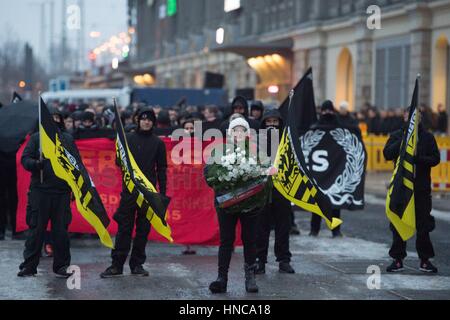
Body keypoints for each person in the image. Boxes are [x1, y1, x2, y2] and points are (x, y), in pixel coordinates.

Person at [101, 108, 167, 278]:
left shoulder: (158, 143)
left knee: (143, 230)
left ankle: (137, 264)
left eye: (150, 119)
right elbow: (118, 161)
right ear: (138, 121)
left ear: (153, 123)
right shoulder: (128, 138)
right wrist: (120, 148)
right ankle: (116, 265)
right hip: (129, 192)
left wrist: (162, 193)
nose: (146, 122)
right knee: (124, 228)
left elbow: (161, 169)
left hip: (148, 193)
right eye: (144, 119)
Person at [206, 118, 260, 294]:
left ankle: (250, 278)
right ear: (230, 133)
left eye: (242, 130)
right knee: (226, 240)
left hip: (249, 204)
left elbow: (264, 173)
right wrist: (222, 179)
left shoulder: (255, 152)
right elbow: (208, 173)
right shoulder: (219, 151)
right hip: (226, 204)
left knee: (250, 239)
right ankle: (222, 278)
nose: (238, 133)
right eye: (235, 130)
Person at [18, 108, 73, 278]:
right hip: (40, 191)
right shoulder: (37, 139)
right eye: (51, 118)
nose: (54, 121)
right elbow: (25, 159)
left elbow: (75, 164)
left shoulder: (67, 139)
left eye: (57, 118)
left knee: (61, 232)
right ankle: (29, 266)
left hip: (61, 192)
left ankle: (62, 266)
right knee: (36, 231)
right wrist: (36, 164)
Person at [383, 108, 440, 273]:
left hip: (421, 189)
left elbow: (435, 158)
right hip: (401, 188)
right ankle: (398, 260)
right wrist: (403, 143)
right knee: (398, 224)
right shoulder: (397, 135)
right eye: (409, 116)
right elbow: (387, 153)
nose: (412, 119)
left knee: (423, 225)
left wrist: (418, 158)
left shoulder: (427, 137)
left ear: (420, 118)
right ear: (404, 117)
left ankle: (424, 260)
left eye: (416, 116)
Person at [255, 109, 295, 275]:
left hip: (282, 190)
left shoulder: (287, 141)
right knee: (261, 226)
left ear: (280, 123)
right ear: (264, 123)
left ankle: (284, 260)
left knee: (283, 226)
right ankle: (260, 260)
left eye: (275, 122)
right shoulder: (257, 141)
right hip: (263, 190)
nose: (272, 125)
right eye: (269, 122)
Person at [309, 101, 343, 238]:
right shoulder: (315, 127)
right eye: (325, 110)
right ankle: (314, 229)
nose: (327, 113)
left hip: (334, 172)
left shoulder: (339, 127)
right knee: (317, 203)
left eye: (330, 110)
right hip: (319, 173)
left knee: (335, 203)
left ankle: (336, 229)